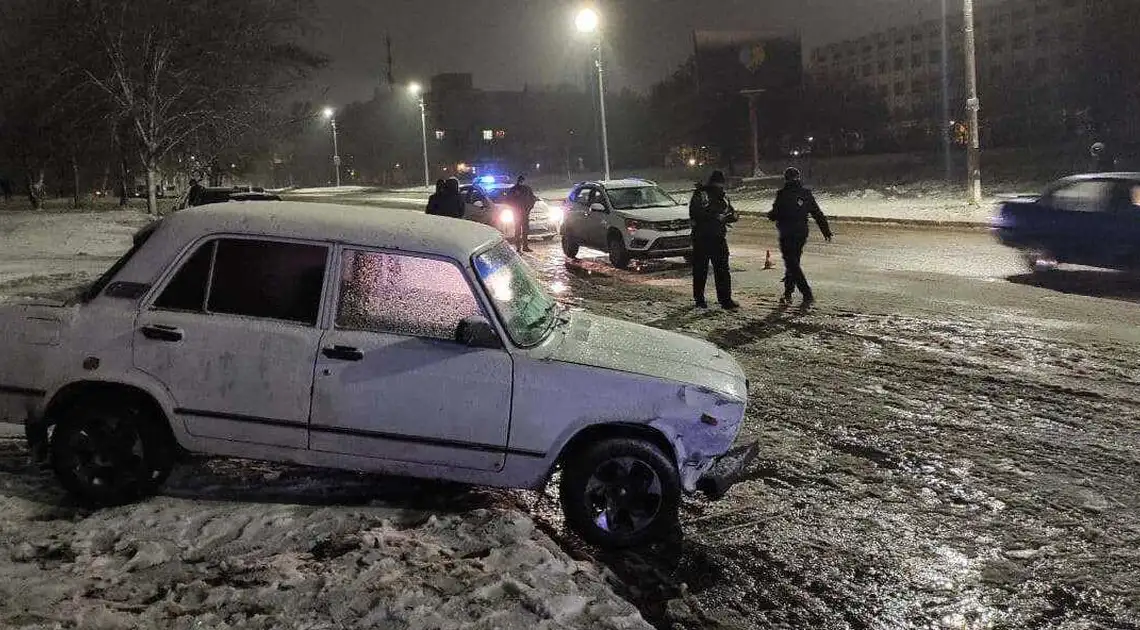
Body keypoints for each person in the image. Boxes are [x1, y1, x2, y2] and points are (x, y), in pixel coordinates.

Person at [768, 167, 832, 308]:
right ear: (798, 177)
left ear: (785, 178)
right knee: (793, 261)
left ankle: (806, 293)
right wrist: (826, 231)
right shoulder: (805, 194)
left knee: (792, 263)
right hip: (801, 233)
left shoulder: (782, 194)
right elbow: (817, 213)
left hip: (787, 233)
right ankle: (788, 292)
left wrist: (771, 215)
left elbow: (775, 214)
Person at [689, 170, 739, 310]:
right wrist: (715, 217)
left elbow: (732, 213)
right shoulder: (702, 194)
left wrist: (729, 217)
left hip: (714, 237)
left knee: (717, 269)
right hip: (704, 237)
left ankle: (720, 300)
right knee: (705, 270)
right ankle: (704, 300)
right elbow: (695, 214)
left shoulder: (722, 196)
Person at [506, 175, 537, 252]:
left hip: (525, 213)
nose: (522, 182)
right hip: (517, 213)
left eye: (522, 181)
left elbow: (532, 199)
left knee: (525, 230)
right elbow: (509, 200)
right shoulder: (513, 190)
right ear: (518, 181)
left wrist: (529, 208)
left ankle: (525, 246)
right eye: (521, 181)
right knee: (518, 231)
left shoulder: (527, 189)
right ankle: (518, 247)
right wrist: (514, 208)